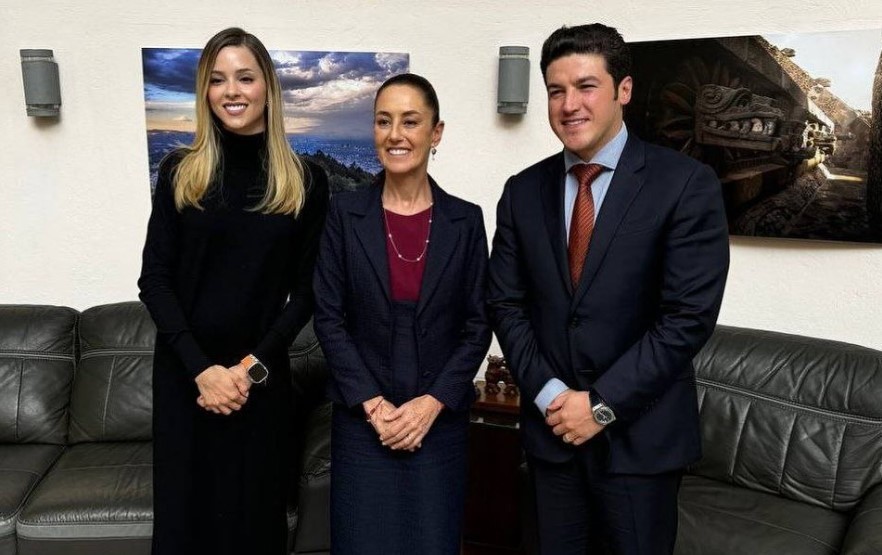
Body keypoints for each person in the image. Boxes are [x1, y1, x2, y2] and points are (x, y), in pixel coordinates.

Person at [487, 23, 730, 555]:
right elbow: (506, 303)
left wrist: (599, 405)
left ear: (623, 90)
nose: (569, 104)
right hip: (552, 441)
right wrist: (553, 397)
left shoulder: (685, 184)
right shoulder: (522, 191)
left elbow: (686, 317)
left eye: (586, 86)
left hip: (640, 446)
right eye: (556, 90)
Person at [138, 27, 328, 555]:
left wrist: (249, 370)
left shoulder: (305, 180)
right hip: (185, 379)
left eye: (245, 77)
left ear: (267, 85)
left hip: (259, 385)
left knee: (253, 525)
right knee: (186, 527)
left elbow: (308, 291)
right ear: (204, 91)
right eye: (217, 80)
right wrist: (202, 369)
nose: (232, 91)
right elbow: (154, 279)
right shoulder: (180, 171)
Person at [313, 73, 491, 555]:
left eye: (410, 121)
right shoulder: (343, 213)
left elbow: (478, 325)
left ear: (436, 133)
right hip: (362, 425)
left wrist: (431, 404)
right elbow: (328, 317)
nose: (396, 134)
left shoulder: (467, 220)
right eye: (383, 121)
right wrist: (373, 406)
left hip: (439, 426)